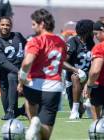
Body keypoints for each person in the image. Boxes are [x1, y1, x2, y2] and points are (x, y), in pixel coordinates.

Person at [17, 9, 66, 140]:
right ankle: (37, 125)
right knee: (46, 133)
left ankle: (33, 121)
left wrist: (21, 79)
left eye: (34, 24)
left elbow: (27, 63)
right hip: (53, 86)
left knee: (30, 103)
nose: (32, 27)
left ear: (42, 24)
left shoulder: (36, 40)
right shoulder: (61, 42)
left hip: (33, 85)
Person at [0, 16, 26, 120]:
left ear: (11, 26)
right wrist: (19, 72)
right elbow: (3, 62)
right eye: (3, 25)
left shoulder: (18, 36)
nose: (5, 27)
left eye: (8, 25)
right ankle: (23, 110)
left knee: (12, 76)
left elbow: (28, 47)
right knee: (9, 113)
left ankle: (12, 110)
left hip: (19, 72)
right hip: (5, 74)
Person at [83, 17, 104, 137]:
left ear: (103, 30)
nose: (95, 37)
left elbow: (95, 71)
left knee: (100, 128)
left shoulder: (102, 46)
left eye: (96, 34)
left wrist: (89, 85)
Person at [63, 19, 95, 119]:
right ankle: (80, 108)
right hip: (73, 78)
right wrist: (77, 70)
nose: (93, 33)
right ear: (86, 32)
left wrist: (89, 79)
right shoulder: (73, 42)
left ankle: (75, 110)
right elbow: (62, 62)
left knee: (76, 77)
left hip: (86, 76)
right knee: (75, 76)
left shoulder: (91, 43)